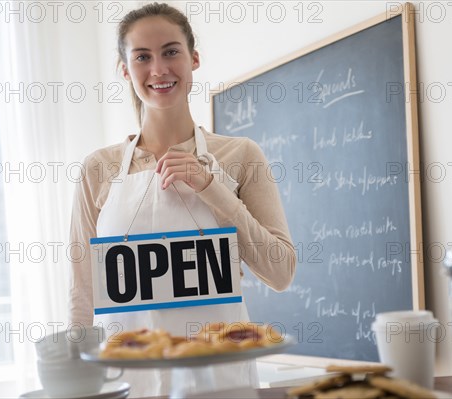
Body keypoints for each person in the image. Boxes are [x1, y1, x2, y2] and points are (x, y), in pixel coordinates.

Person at [68, 2, 296, 396]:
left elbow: (281, 272)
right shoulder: (97, 169)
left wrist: (212, 188)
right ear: (125, 69)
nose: (158, 69)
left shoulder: (240, 156)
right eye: (142, 57)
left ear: (193, 59)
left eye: (171, 52)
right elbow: (82, 290)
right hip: (127, 383)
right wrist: (75, 381)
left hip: (221, 384)